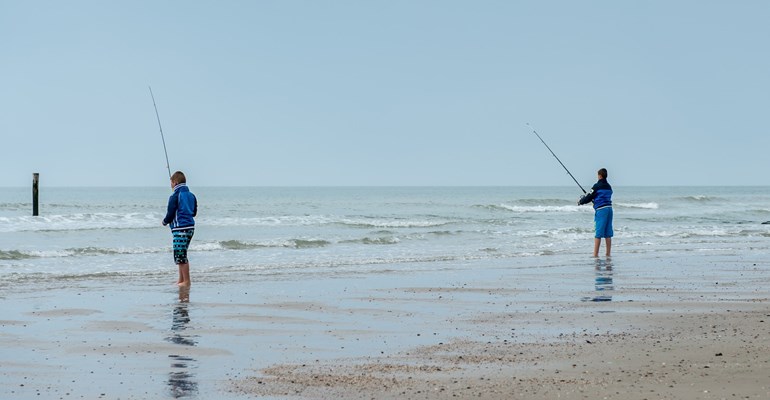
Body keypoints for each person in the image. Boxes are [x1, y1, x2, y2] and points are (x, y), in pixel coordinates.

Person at [163, 171, 198, 287]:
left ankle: (187, 281)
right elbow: (194, 212)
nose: (170, 185)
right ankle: (181, 280)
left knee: (181, 256)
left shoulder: (174, 196)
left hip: (180, 228)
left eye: (171, 182)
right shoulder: (192, 195)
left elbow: (170, 213)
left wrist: (165, 221)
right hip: (190, 228)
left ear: (175, 182)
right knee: (181, 254)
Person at [578, 168, 613, 257]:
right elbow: (601, 196)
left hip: (601, 210)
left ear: (600, 176)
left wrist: (581, 201)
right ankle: (608, 254)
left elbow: (589, 197)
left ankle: (595, 254)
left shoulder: (596, 186)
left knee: (598, 233)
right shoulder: (609, 186)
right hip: (609, 209)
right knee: (608, 233)